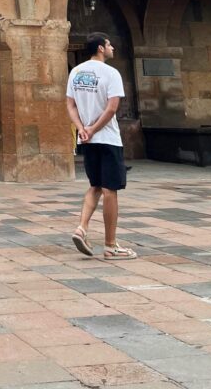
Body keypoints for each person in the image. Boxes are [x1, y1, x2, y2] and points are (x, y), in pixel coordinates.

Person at [66, 32, 137, 260]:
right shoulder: (111, 73)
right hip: (106, 139)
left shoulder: (75, 72)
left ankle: (81, 228)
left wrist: (82, 129)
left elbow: (70, 105)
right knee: (110, 191)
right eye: (109, 44)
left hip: (87, 140)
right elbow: (112, 108)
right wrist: (95, 129)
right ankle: (110, 245)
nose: (112, 47)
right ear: (100, 48)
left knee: (95, 185)